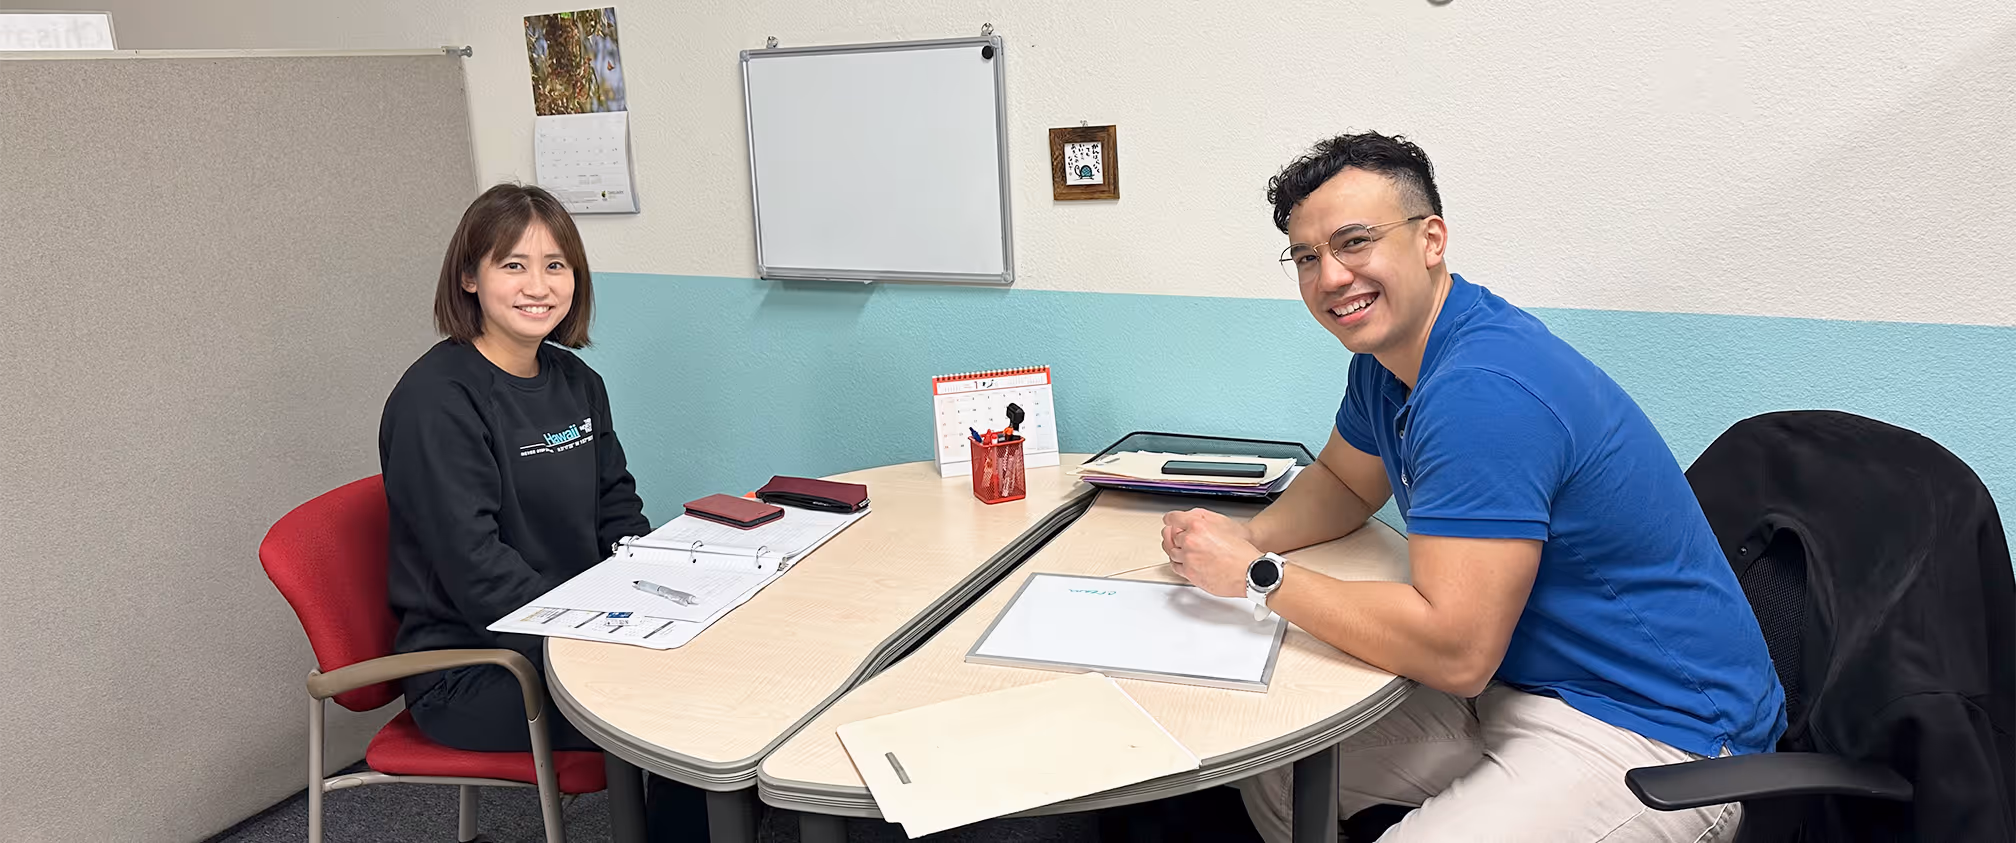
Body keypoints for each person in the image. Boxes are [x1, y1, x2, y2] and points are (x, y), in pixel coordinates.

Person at [1159, 133, 1786, 842]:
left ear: (1431, 239)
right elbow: (1343, 482)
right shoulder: (1387, 359)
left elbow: (1456, 650)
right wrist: (1243, 535)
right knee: (1276, 765)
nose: (1330, 276)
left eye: (1354, 242)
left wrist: (1258, 574)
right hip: (1517, 681)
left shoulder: (1481, 390)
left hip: (1657, 730)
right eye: (1307, 257)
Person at [379, 183, 704, 838]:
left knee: (713, 667)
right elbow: (479, 570)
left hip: (578, 632)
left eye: (555, 264)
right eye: (513, 264)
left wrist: (652, 591)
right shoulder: (435, 402)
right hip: (477, 666)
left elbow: (617, 507)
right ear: (469, 277)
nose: (538, 286)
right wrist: (598, 637)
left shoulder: (578, 381)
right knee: (680, 711)